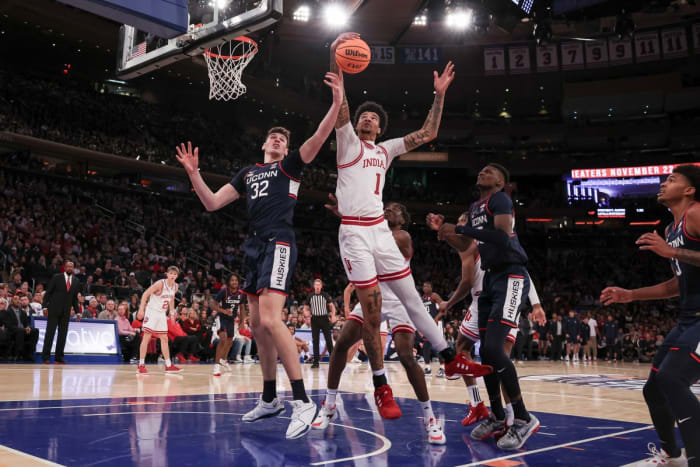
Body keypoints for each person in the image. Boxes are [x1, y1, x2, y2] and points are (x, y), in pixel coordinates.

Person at [175, 71, 344, 439]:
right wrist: (194, 174)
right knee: (258, 328)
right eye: (274, 136)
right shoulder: (249, 173)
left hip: (278, 242)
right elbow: (212, 202)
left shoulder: (291, 166)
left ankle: (302, 401)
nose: (278, 139)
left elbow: (318, 138)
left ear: (286, 148)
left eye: (283, 138)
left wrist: (335, 104)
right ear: (265, 144)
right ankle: (270, 399)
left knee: (270, 321)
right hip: (252, 247)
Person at [329, 32, 472, 419]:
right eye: (363, 116)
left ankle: (447, 357)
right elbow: (340, 105)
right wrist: (335, 59)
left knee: (410, 297)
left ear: (380, 126)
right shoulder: (347, 143)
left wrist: (439, 94)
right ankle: (380, 386)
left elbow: (428, 134)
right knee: (371, 311)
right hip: (354, 232)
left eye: (373, 116)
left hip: (378, 229)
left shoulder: (385, 149)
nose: (367, 118)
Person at [313, 201, 488, 443]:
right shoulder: (376, 231)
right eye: (386, 207)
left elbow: (371, 242)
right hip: (372, 295)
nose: (387, 210)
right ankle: (329, 403)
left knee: (406, 356)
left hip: (399, 300)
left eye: (394, 209)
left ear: (403, 219)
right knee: (342, 343)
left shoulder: (402, 236)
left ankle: (430, 419)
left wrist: (351, 219)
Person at [428, 163, 546, 450]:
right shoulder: (475, 206)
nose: (482, 171)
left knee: (494, 350)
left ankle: (522, 417)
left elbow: (502, 236)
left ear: (501, 182)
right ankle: (495, 414)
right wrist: (444, 231)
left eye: (490, 171)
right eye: (480, 170)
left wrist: (458, 227)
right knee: (486, 356)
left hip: (511, 274)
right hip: (492, 281)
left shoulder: (500, 199)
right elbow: (466, 243)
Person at [601, 164, 700, 466]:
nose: (662, 183)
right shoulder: (671, 229)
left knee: (672, 379)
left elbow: (681, 258)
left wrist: (673, 253)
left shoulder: (696, 213)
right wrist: (630, 295)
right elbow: (675, 284)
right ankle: (672, 455)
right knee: (654, 389)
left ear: (689, 189)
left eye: (671, 179)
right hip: (687, 317)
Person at [437, 212, 544, 428]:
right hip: (481, 303)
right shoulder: (466, 247)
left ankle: (514, 415)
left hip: (503, 299)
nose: (459, 225)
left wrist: (536, 303)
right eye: (457, 221)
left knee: (499, 359)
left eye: (462, 221)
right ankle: (479, 405)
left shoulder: (493, 240)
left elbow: (520, 270)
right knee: (462, 346)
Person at [135, 266, 182, 374]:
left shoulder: (175, 286)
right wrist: (141, 309)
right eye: (171, 273)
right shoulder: (160, 284)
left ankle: (168, 364)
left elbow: (171, 299)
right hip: (152, 311)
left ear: (177, 276)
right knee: (146, 336)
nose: (172, 276)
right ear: (167, 274)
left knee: (164, 338)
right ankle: (141, 364)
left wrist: (172, 313)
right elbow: (145, 294)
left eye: (174, 274)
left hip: (161, 313)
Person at [41, 260, 80, 364]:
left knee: (62, 335)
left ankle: (59, 357)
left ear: (73, 268)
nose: (69, 268)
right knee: (50, 333)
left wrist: (78, 312)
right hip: (53, 310)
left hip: (66, 312)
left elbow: (74, 299)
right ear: (64, 267)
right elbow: (48, 293)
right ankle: (45, 357)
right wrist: (44, 307)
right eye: (68, 266)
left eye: (71, 267)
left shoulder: (76, 281)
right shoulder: (56, 277)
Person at [210, 274, 247, 376]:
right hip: (221, 318)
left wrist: (242, 322)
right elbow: (212, 305)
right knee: (223, 339)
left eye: (236, 280)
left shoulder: (241, 294)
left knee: (230, 341)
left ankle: (223, 360)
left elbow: (242, 308)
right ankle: (216, 367)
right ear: (229, 282)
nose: (234, 282)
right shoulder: (224, 291)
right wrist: (223, 311)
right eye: (232, 280)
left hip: (231, 320)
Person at [307, 279, 336, 368]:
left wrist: (333, 315)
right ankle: (316, 362)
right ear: (314, 286)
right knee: (315, 341)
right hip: (314, 319)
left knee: (328, 340)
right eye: (316, 284)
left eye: (319, 285)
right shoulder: (310, 296)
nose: (317, 286)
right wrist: (306, 313)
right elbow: (306, 307)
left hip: (324, 318)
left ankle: (333, 360)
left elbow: (332, 306)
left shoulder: (325, 295)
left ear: (321, 286)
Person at [2, 295, 38, 361]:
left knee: (35, 331)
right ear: (11, 302)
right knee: (20, 331)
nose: (18, 301)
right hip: (12, 331)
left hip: (22, 330)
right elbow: (9, 325)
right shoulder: (7, 312)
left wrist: (28, 327)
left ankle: (30, 354)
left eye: (19, 299)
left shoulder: (23, 312)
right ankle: (18, 354)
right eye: (15, 299)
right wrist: (23, 329)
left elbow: (26, 323)